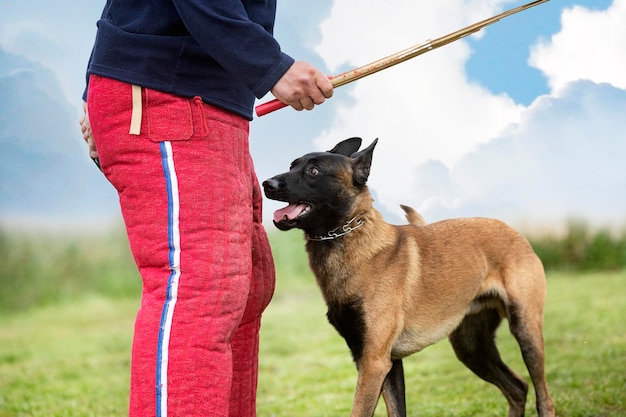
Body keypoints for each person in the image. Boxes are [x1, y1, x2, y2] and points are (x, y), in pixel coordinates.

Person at [79, 1, 333, 416]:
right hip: (167, 93)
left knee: (246, 286)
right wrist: (270, 65)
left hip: (208, 100)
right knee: (199, 290)